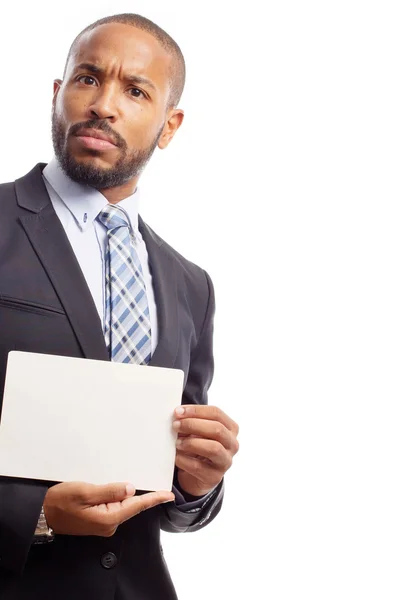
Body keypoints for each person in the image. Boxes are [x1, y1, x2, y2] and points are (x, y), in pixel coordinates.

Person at [0, 12, 239, 600]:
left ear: (169, 124)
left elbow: (171, 501)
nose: (104, 104)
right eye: (87, 79)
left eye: (135, 91)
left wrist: (197, 485)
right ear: (59, 96)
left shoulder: (190, 285)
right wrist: (33, 515)